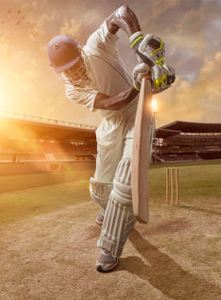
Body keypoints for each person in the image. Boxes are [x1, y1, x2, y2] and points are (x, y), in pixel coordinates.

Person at [46, 5, 175, 272]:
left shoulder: (96, 45)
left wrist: (137, 39)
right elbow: (109, 103)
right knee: (100, 188)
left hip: (139, 113)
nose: (73, 73)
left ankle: (110, 246)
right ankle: (108, 207)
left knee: (125, 184)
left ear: (81, 51)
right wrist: (137, 85)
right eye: (66, 71)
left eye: (74, 65)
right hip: (111, 120)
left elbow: (121, 12)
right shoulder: (72, 89)